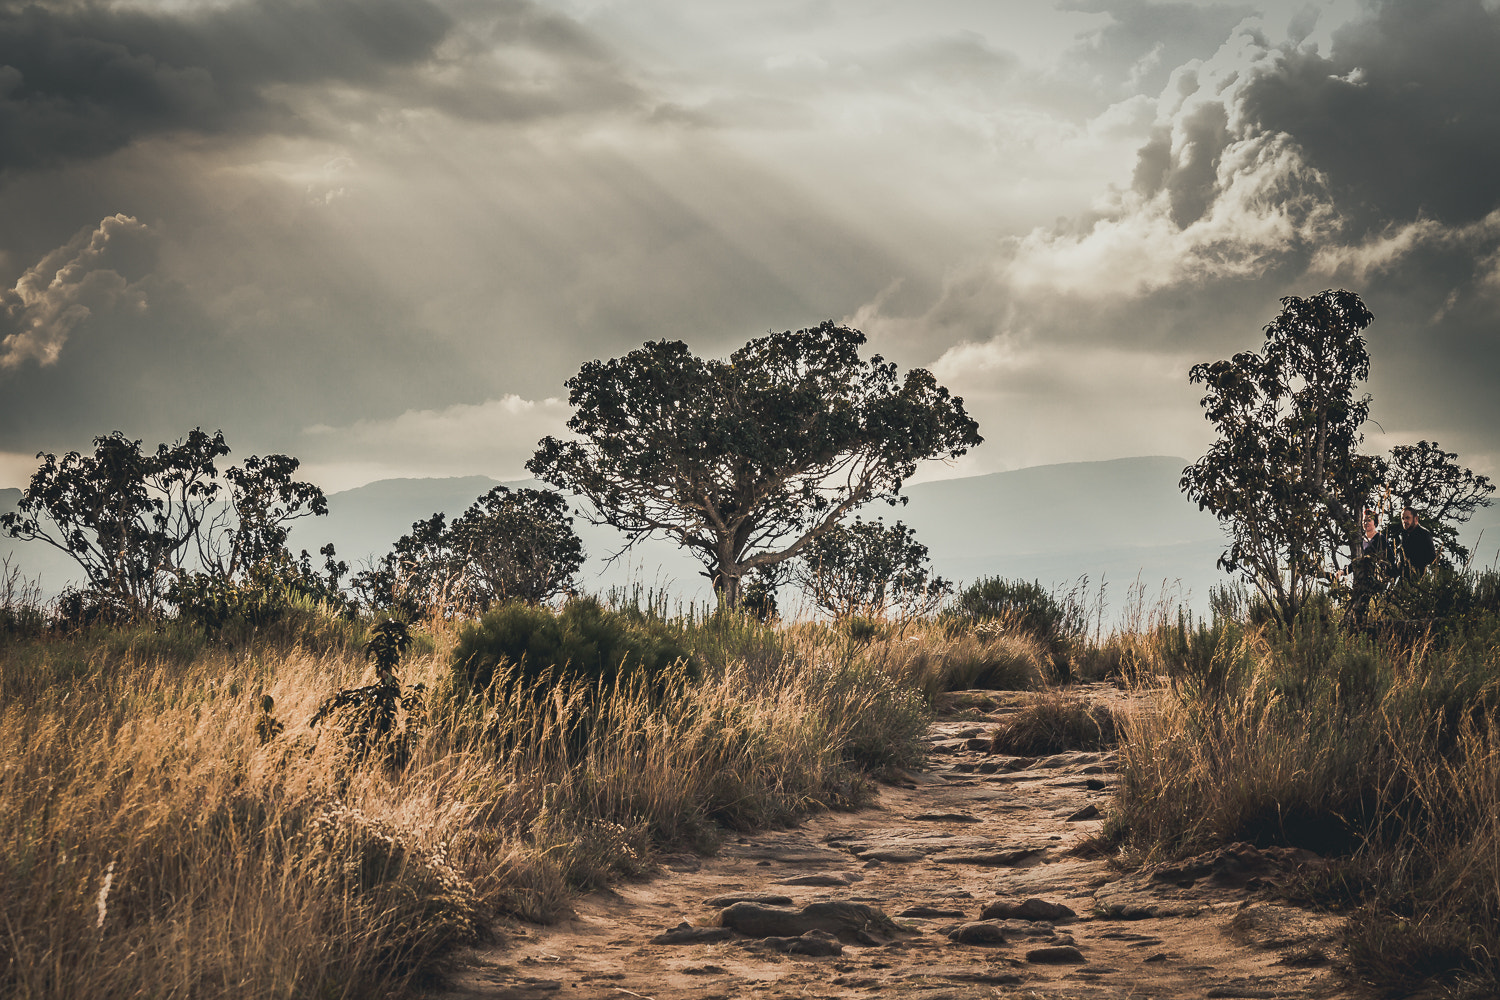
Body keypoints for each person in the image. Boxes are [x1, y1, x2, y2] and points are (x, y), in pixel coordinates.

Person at [1396, 505, 1437, 580]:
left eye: (1407, 518)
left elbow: (1432, 557)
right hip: (1402, 579)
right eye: (1403, 518)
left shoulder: (1424, 534)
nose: (1404, 521)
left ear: (1416, 519)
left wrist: (1415, 564)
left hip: (1417, 579)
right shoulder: (1404, 535)